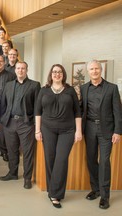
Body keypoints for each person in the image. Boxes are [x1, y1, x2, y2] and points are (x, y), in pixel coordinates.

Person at [35, 64, 82, 208]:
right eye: (54, 72)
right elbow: (38, 112)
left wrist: (78, 131)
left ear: (63, 74)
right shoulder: (43, 91)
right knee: (50, 159)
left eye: (59, 72)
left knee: (61, 160)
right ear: (51, 74)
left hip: (67, 130)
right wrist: (37, 130)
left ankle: (55, 194)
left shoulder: (70, 90)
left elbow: (77, 112)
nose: (57, 74)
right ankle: (52, 190)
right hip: (47, 129)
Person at [80, 60, 122, 209]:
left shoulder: (112, 88)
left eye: (97, 68)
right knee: (91, 159)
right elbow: (80, 110)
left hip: (107, 130)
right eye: (91, 69)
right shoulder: (84, 88)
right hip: (89, 128)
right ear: (88, 72)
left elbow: (118, 111)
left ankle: (105, 196)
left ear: (101, 70)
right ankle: (96, 189)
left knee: (104, 162)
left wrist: (118, 131)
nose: (94, 71)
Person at [0, 61, 40, 190]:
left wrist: (34, 124)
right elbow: (3, 104)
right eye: (18, 68)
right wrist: (3, 118)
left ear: (27, 70)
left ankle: (27, 178)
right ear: (15, 70)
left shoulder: (34, 85)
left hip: (26, 123)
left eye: (23, 68)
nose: (20, 70)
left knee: (27, 152)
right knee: (12, 150)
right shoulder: (8, 85)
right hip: (9, 122)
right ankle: (12, 173)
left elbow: (38, 107)